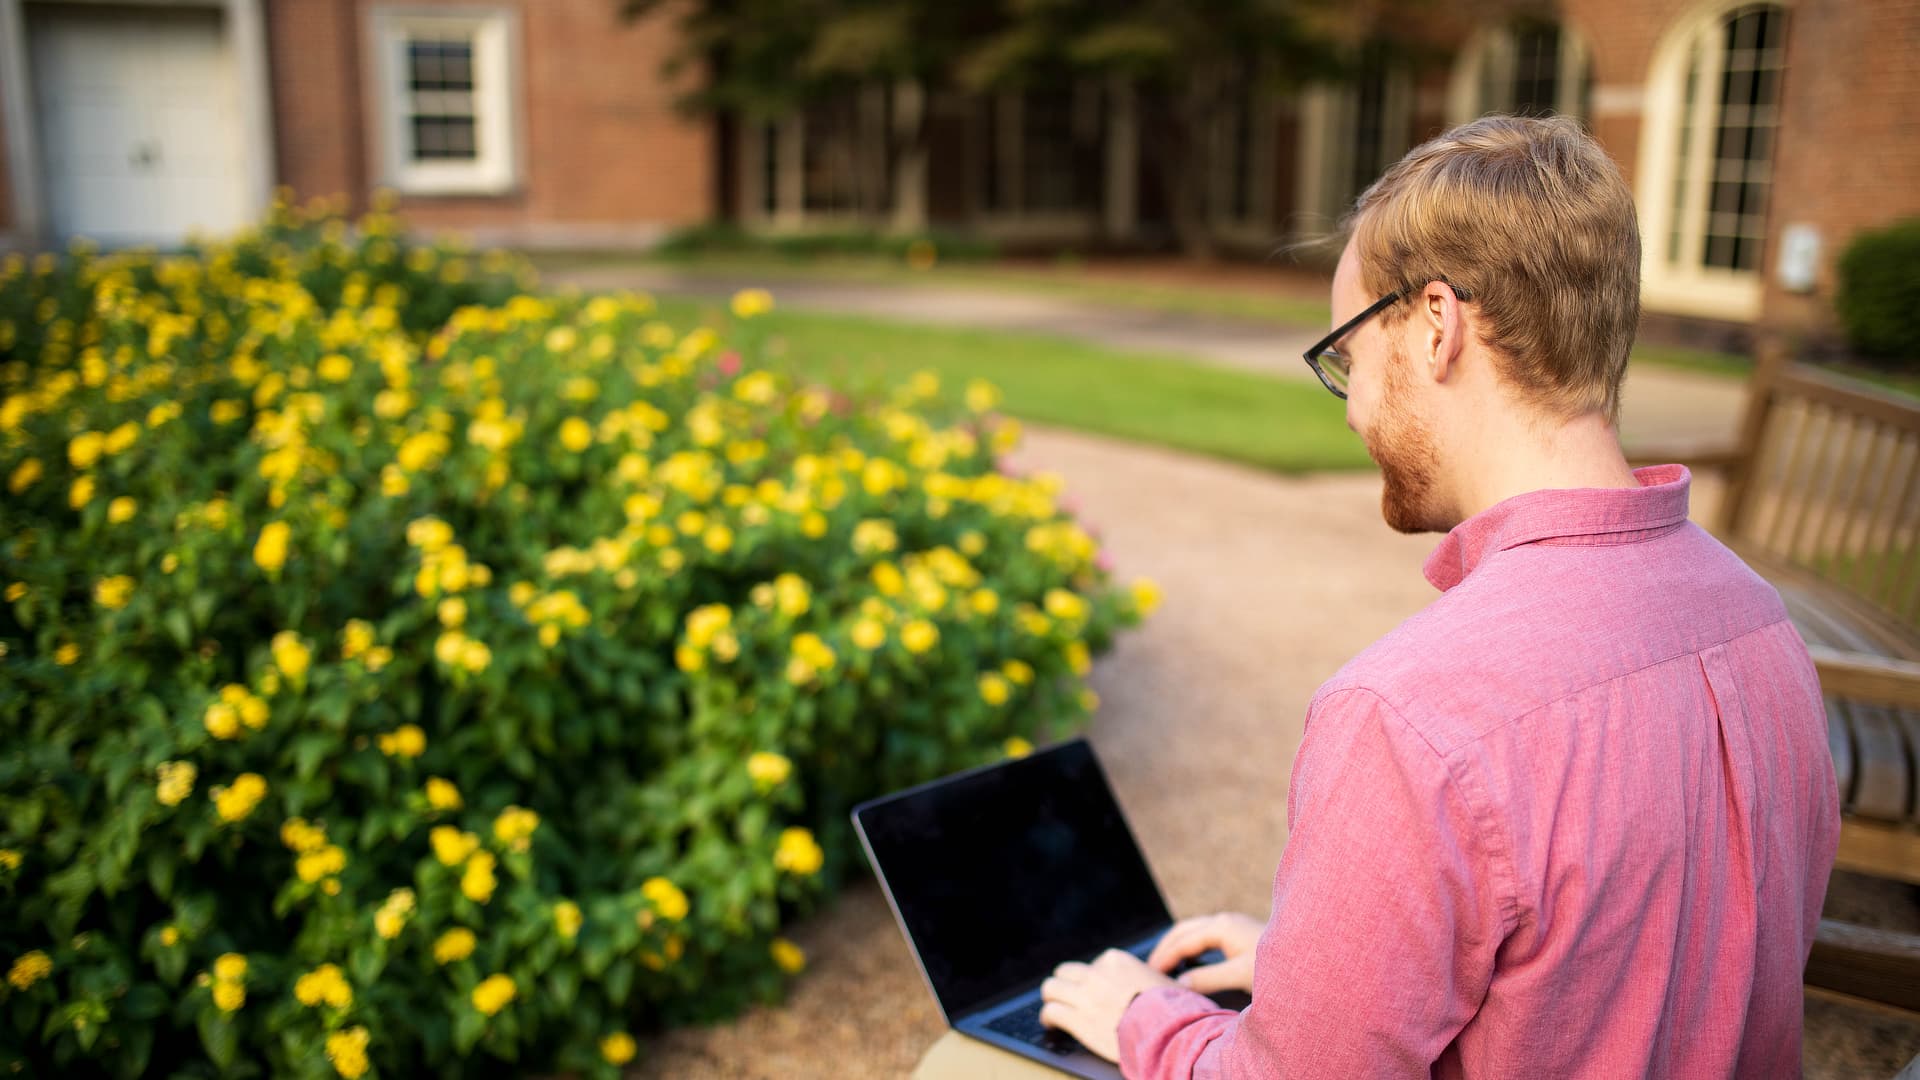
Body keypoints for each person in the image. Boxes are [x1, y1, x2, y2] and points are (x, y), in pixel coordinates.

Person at [920, 114, 1841, 1078]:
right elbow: (1603, 957)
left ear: (1436, 325)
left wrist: (1150, 1020)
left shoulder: (1413, 716)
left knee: (962, 1064)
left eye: (1349, 358)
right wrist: (1309, 963)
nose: (1355, 408)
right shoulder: (1758, 620)